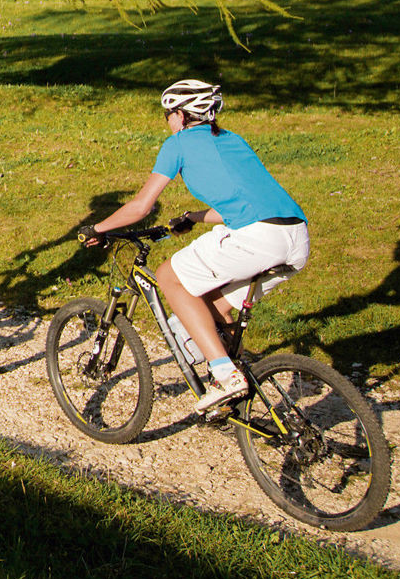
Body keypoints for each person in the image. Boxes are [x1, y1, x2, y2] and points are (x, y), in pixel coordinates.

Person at [78, 79, 310, 412]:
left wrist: (97, 228)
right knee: (213, 307)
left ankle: (225, 373)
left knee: (169, 276)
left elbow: (142, 206)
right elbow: (241, 201)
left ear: (183, 116)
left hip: (258, 238)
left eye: (168, 114)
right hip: (295, 237)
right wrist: (194, 217)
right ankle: (233, 385)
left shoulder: (179, 144)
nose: (167, 120)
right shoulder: (232, 140)